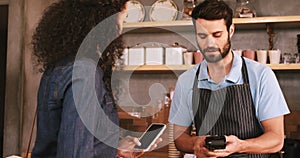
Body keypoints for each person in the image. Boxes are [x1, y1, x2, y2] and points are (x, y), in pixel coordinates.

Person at [31, 0, 160, 157]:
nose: (120, 29)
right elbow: (75, 153)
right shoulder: (85, 72)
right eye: (122, 20)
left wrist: (116, 148)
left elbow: (73, 140)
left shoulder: (58, 69)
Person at [168, 0, 290, 157]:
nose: (210, 43)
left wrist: (240, 145)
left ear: (230, 31)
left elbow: (276, 139)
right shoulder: (186, 80)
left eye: (217, 35)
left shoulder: (260, 75)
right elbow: (179, 138)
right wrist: (196, 144)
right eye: (202, 36)